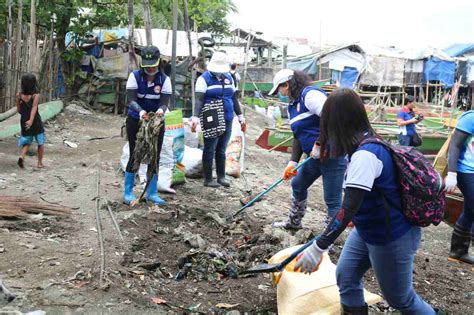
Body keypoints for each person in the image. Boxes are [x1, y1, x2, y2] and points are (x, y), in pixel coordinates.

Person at [294, 88, 438, 314]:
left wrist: (318, 247)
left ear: (337, 122)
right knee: (347, 278)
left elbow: (348, 208)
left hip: (391, 236)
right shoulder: (362, 142)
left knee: (401, 299)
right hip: (367, 229)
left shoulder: (365, 155)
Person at [269, 69, 347, 229]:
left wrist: (319, 143)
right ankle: (294, 222)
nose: (280, 93)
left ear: (288, 84)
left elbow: (332, 117)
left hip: (332, 154)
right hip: (313, 157)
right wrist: (292, 162)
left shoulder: (310, 96)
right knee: (298, 184)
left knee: (332, 199)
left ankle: (328, 238)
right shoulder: (292, 105)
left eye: (280, 89)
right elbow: (298, 134)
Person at [123, 45, 171, 205]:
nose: (150, 68)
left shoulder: (165, 80)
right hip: (135, 120)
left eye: (153, 65)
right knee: (134, 153)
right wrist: (141, 112)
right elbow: (131, 100)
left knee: (155, 156)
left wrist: (159, 112)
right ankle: (128, 192)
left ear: (158, 63)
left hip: (156, 123)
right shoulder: (134, 77)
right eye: (147, 65)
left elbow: (164, 103)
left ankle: (152, 192)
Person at [190, 52, 246, 188]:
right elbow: (199, 99)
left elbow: (233, 98)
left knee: (221, 149)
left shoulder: (229, 78)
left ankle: (221, 177)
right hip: (212, 119)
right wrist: (195, 117)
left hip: (227, 117)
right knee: (209, 148)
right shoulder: (204, 79)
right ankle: (208, 179)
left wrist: (240, 116)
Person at [444, 110, 474, 265]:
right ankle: (459, 250)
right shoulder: (470, 118)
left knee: (470, 210)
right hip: (465, 170)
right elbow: (455, 145)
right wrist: (452, 173)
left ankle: (458, 252)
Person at [16, 73, 45, 169]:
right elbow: (34, 107)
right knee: (40, 142)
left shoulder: (19, 95)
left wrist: (18, 101)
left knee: (27, 142)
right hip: (35, 122)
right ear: (33, 83)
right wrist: (31, 120)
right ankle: (39, 163)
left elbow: (19, 111)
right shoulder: (35, 95)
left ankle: (22, 156)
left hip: (24, 121)